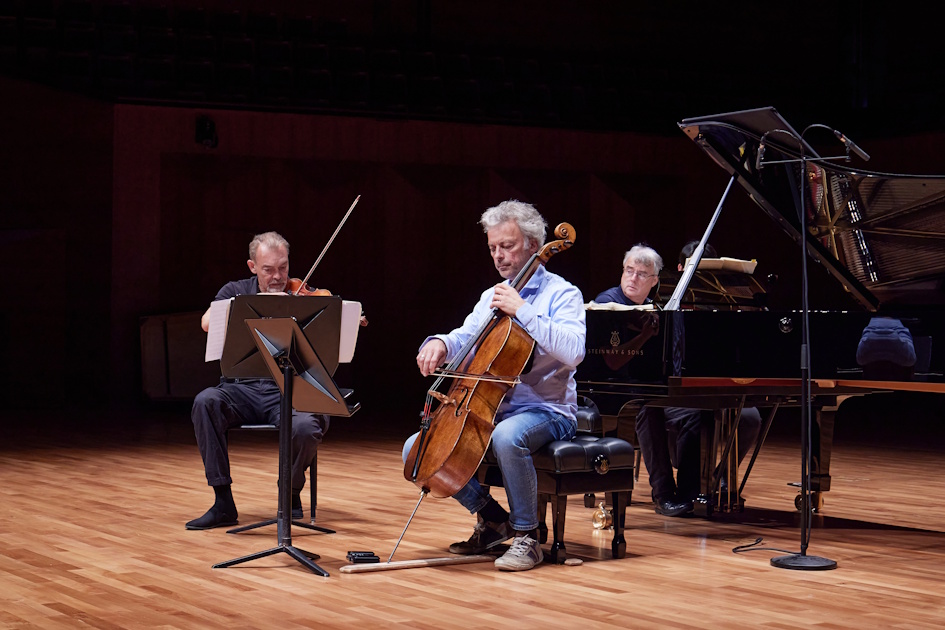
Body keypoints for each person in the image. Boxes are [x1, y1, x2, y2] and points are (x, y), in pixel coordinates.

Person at [403, 200, 586, 572]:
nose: (499, 255)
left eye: (507, 246)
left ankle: (527, 537)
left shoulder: (563, 294)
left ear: (533, 244)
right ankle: (493, 519)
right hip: (491, 406)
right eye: (492, 248)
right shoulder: (492, 295)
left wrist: (524, 310)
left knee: (506, 436)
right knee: (415, 449)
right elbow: (465, 337)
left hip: (548, 411)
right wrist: (439, 343)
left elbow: (574, 352)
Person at [599, 240, 761, 517]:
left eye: (641, 274)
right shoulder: (607, 305)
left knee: (708, 412)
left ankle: (695, 487)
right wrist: (645, 336)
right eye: (629, 271)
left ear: (654, 280)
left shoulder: (658, 307)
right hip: (616, 392)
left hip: (657, 390)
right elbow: (612, 362)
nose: (633, 278)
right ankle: (663, 493)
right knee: (649, 409)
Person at [186, 231, 330, 530]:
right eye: (268, 269)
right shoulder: (235, 290)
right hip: (242, 389)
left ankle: (289, 490)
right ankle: (223, 501)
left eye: (283, 268)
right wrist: (258, 302)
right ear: (253, 267)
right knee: (205, 402)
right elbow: (206, 323)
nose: (277, 277)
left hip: (289, 389)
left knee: (306, 426)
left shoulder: (301, 296)